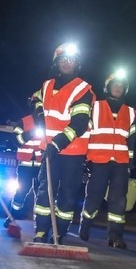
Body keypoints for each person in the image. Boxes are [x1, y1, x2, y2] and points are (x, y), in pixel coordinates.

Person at [30, 42, 96, 244]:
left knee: (67, 194)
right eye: (63, 60)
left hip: (72, 152)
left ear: (77, 63)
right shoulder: (47, 85)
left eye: (71, 60)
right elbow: (35, 98)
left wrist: (56, 144)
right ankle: (41, 231)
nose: (67, 63)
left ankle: (58, 232)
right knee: (45, 191)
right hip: (49, 149)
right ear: (56, 62)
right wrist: (38, 109)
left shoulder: (82, 89)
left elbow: (79, 124)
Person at [78, 69, 136, 248]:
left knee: (118, 201)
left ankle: (115, 236)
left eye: (121, 86)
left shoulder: (131, 112)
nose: (118, 88)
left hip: (120, 162)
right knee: (94, 197)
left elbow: (132, 139)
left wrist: (129, 162)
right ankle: (85, 224)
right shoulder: (95, 107)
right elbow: (86, 134)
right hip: (98, 160)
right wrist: (84, 159)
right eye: (115, 85)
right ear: (108, 87)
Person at [3, 112, 43, 228]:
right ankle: (11, 218)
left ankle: (41, 223)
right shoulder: (24, 122)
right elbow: (15, 141)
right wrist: (29, 134)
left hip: (42, 164)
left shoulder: (49, 121)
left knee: (42, 195)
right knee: (21, 192)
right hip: (26, 165)